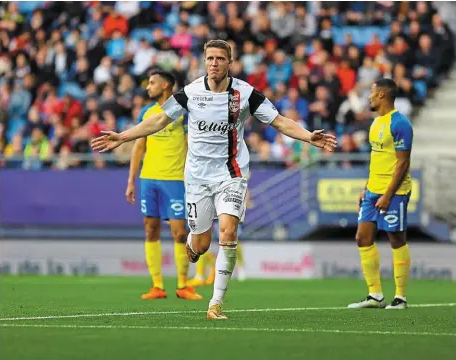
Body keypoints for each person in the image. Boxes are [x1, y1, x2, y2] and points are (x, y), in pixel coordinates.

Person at [91, 39, 337, 319]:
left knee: (229, 232)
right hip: (197, 178)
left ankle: (215, 303)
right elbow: (158, 120)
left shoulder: (245, 93)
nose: (214, 63)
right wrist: (122, 136)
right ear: (204, 61)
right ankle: (193, 247)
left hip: (232, 174)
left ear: (229, 63)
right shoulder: (191, 92)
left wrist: (308, 136)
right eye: (210, 58)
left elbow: (278, 120)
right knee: (201, 244)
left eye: (220, 58)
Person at [126, 69, 202, 301]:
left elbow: (192, 145)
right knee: (151, 229)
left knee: (180, 232)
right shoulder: (146, 112)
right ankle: (157, 286)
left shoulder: (183, 113)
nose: (148, 87)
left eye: (152, 83)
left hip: (176, 179)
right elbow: (139, 147)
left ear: (166, 85)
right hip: (149, 178)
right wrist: (131, 181)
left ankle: (183, 284)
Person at [348, 78, 413, 310]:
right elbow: (377, 158)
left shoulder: (401, 123)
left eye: (372, 93)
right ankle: (375, 295)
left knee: (396, 238)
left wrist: (388, 195)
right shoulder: (376, 123)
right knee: (362, 238)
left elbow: (402, 164)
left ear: (383, 95)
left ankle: (400, 298)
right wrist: (367, 187)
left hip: (394, 191)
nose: (369, 97)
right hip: (373, 190)